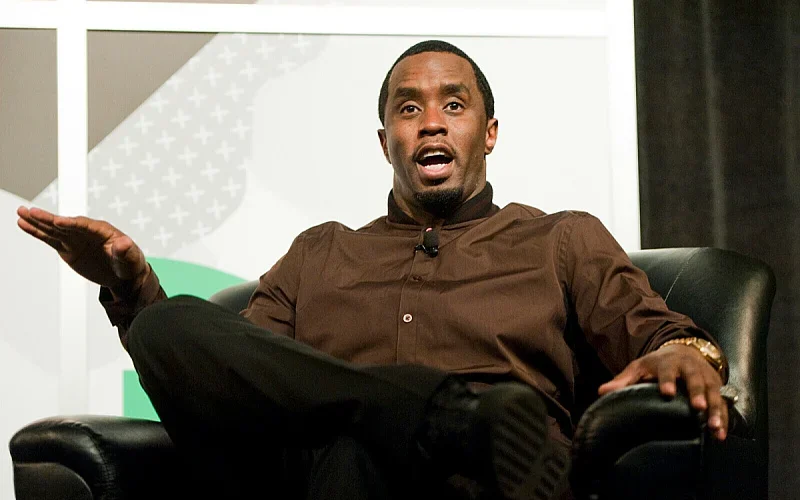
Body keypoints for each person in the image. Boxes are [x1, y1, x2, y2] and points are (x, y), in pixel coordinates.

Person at [16, 40, 729, 500]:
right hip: (323, 476)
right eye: (409, 108)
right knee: (167, 325)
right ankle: (445, 415)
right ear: (385, 140)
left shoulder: (559, 239)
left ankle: (447, 424)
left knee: (354, 450)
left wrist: (690, 352)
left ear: (488, 134)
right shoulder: (319, 252)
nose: (431, 122)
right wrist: (133, 287)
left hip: (486, 480)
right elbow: (236, 383)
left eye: (454, 105)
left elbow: (660, 334)